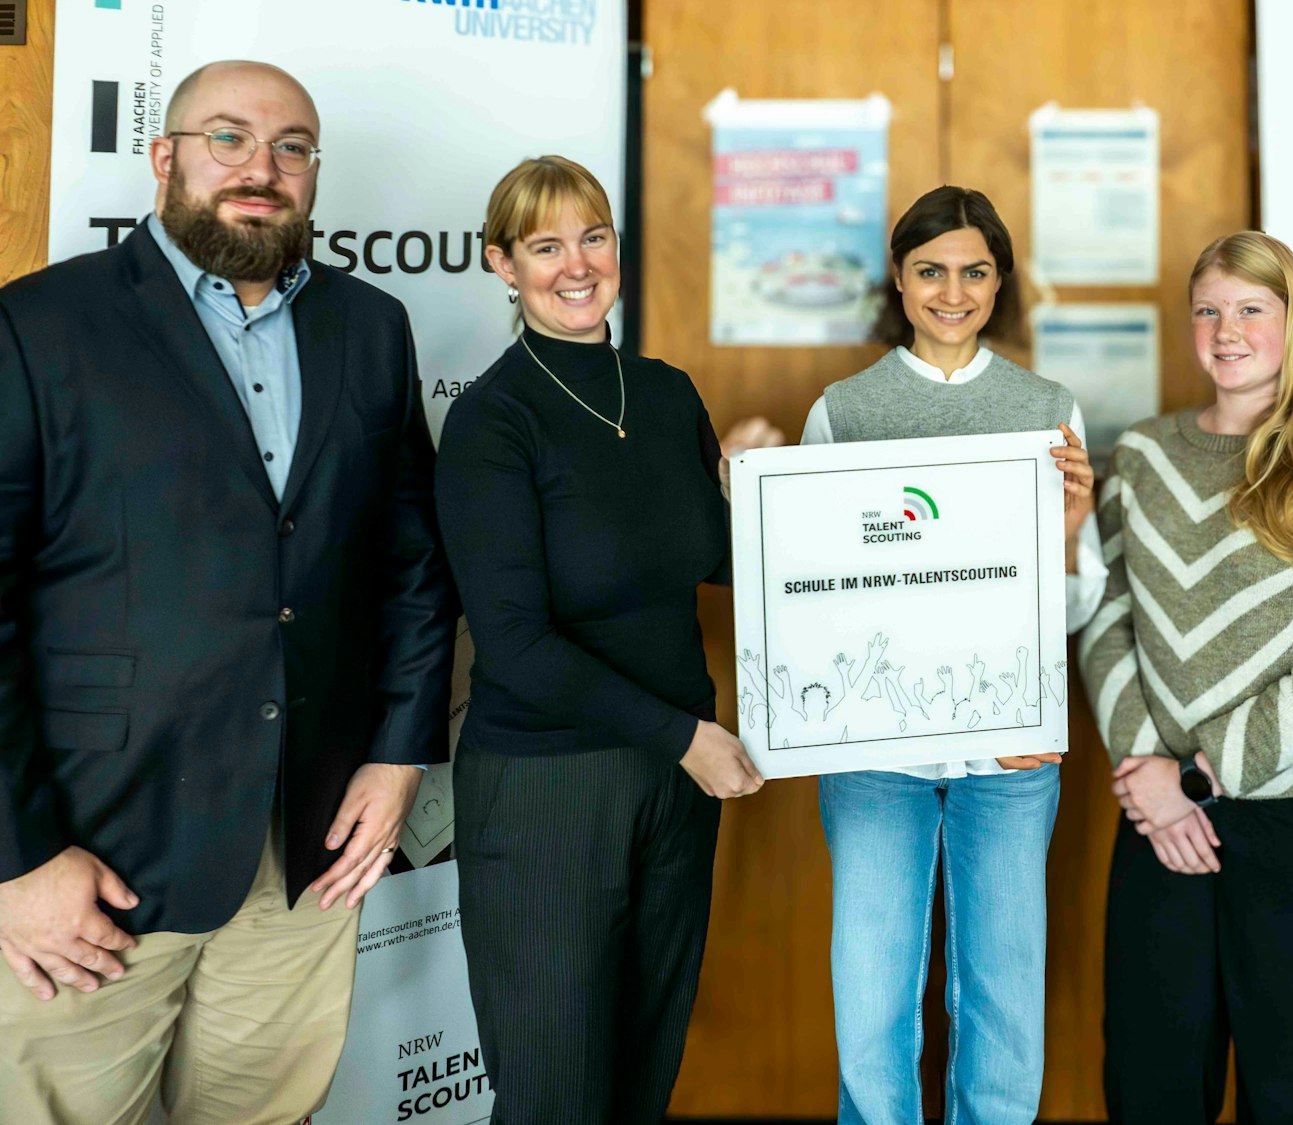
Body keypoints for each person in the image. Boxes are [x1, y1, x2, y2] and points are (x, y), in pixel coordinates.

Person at [0, 61, 457, 1123]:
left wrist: (398, 754)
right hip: (96, 857)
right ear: (164, 157)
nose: (262, 167)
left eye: (292, 147)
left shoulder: (369, 326)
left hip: (306, 847)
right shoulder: (39, 324)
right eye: (229, 138)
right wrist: (15, 862)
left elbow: (411, 566)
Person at [434, 156, 774, 1123]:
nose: (577, 265)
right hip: (550, 787)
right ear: (502, 264)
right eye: (546, 246)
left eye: (594, 237)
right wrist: (685, 737)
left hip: (676, 782)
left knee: (640, 1080)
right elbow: (514, 646)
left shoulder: (664, 394)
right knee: (555, 1094)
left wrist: (754, 491)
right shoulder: (493, 420)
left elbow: (716, 561)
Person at [1081, 231, 1293, 1124]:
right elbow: (1104, 619)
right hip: (1158, 815)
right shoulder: (1142, 456)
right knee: (1149, 1081)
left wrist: (1195, 778)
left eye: (1251, 309)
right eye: (1209, 311)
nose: (1227, 331)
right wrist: (1149, 776)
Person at [801, 185, 1103, 1125]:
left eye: (975, 271)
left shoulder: (1048, 408)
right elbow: (809, 598)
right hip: (874, 755)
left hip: (1009, 756)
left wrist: (1068, 533)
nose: (953, 292)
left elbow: (1078, 602)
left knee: (1006, 1007)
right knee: (870, 1008)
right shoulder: (842, 412)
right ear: (898, 278)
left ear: (1000, 280)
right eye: (930, 270)